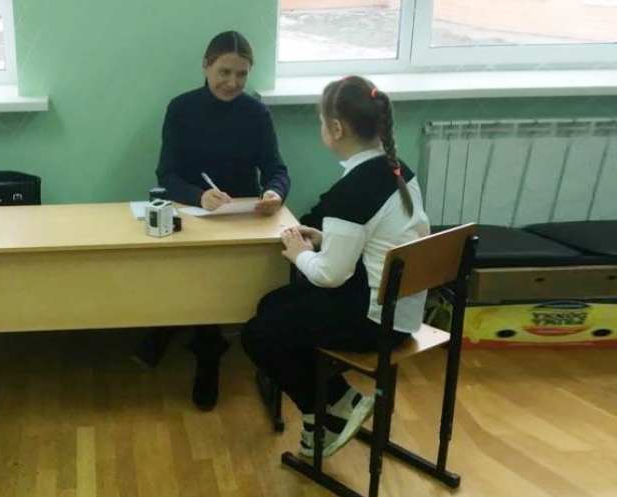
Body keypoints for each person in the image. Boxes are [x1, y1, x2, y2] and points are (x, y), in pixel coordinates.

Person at [241, 75, 430, 458]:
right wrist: (325, 237)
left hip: (376, 322)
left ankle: (327, 411)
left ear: (337, 128)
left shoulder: (351, 190)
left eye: (321, 122)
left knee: (258, 334)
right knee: (272, 305)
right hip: (402, 309)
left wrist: (299, 253)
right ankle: (338, 403)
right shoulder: (397, 169)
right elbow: (375, 237)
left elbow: (330, 275)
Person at [132, 31, 291, 412]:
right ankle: (200, 344)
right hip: (192, 211)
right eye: (224, 72)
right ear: (205, 67)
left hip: (241, 215)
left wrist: (274, 193)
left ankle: (197, 346)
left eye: (241, 74)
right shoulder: (181, 108)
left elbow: (277, 170)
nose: (232, 83)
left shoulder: (256, 113)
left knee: (218, 270)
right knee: (194, 265)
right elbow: (166, 175)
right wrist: (199, 196)